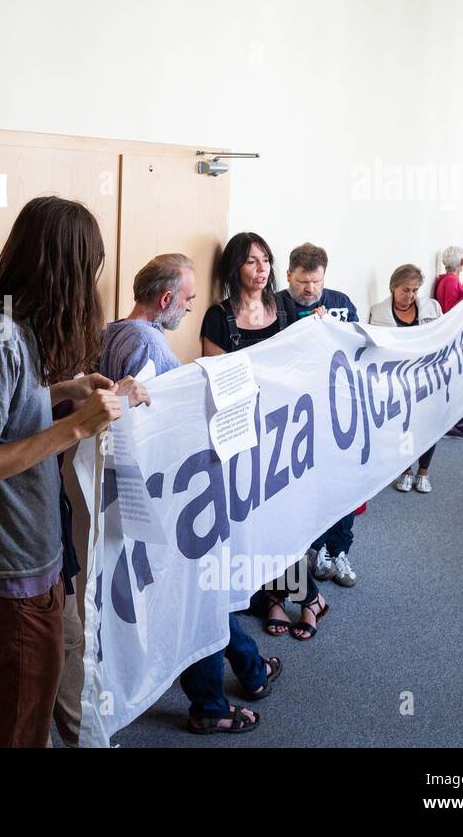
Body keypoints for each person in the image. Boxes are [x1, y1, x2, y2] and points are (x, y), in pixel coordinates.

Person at [0, 196, 142, 748]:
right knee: (18, 723)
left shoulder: (14, 329)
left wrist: (61, 392)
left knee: (33, 703)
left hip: (34, 547)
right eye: (91, 269)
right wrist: (75, 426)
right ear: (65, 269)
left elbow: (3, 412)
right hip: (9, 560)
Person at [100, 253, 277, 734]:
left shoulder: (111, 331)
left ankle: (251, 668)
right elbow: (143, 420)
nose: (190, 307)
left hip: (157, 494)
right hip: (168, 495)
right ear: (164, 300)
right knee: (197, 594)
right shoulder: (144, 341)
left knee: (202, 591)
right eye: (187, 299)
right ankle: (212, 704)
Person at [201, 234, 329, 641]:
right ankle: (285, 596)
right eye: (251, 262)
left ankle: (303, 597)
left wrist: (320, 329)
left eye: (265, 261)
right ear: (234, 268)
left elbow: (300, 362)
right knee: (254, 520)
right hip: (242, 431)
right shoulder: (218, 317)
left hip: (285, 428)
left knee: (284, 516)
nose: (261, 270)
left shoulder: (285, 307)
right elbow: (215, 379)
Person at [277, 243, 361, 587]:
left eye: (316, 282)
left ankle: (338, 549)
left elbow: (359, 348)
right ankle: (311, 549)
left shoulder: (340, 303)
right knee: (304, 488)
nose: (310, 289)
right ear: (289, 276)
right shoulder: (275, 307)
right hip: (294, 416)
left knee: (343, 482)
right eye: (302, 282)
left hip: (336, 410)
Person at [370, 264, 442, 493]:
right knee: (405, 426)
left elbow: (442, 336)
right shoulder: (378, 313)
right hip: (398, 380)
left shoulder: (432, 308)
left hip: (426, 376)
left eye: (415, 290)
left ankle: (423, 471)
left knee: (429, 423)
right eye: (405, 290)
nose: (410, 296)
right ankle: (405, 469)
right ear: (393, 287)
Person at [434, 245, 463, 439]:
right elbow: (452, 309)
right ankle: (453, 423)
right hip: (453, 336)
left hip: (457, 335)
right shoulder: (450, 281)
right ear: (461, 263)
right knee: (457, 382)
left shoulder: (451, 281)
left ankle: (459, 421)